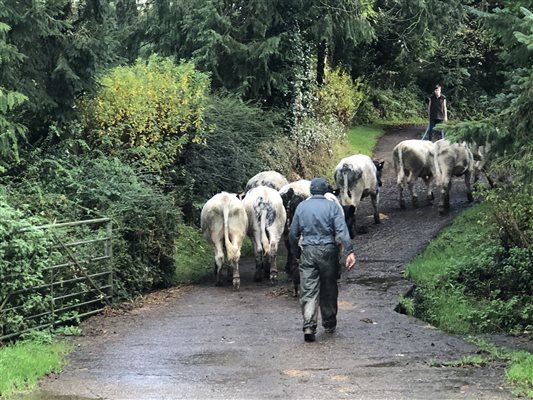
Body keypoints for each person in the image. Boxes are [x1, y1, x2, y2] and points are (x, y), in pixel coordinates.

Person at [289, 177, 356, 342]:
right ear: (325, 191)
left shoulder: (302, 207)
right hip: (328, 251)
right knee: (329, 287)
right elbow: (342, 230)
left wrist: (296, 252)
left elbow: (293, 233)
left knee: (308, 289)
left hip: (308, 251)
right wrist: (349, 251)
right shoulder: (332, 206)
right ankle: (329, 322)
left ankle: (309, 326)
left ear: (311, 191)